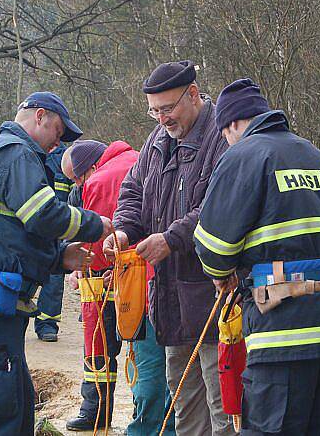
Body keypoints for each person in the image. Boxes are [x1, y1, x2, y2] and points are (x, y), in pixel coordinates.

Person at [194, 79, 320, 435]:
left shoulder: (244, 156)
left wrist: (220, 272)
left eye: (225, 134)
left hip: (281, 328)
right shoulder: (317, 157)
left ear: (233, 123)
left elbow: (213, 246)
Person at [0, 92, 112, 435]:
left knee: (17, 410)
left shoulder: (2, 152)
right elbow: (42, 215)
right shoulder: (15, 152)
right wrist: (96, 224)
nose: (57, 144)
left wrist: (58, 257)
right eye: (57, 131)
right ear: (39, 116)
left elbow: (8, 235)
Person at [104, 60, 232, 436]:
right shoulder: (157, 141)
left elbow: (217, 206)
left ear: (193, 94)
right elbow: (133, 191)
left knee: (223, 406)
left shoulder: (220, 138)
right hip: (171, 301)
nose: (161, 118)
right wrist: (125, 231)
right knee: (184, 402)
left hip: (213, 297)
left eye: (167, 108)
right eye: (154, 111)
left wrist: (171, 238)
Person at [64, 139, 138, 431]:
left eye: (76, 179)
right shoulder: (136, 158)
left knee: (99, 341)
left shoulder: (100, 179)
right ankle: (143, 412)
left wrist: (79, 264)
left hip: (109, 273)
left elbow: (95, 239)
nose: (77, 186)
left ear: (90, 169)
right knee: (144, 350)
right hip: (142, 269)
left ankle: (95, 411)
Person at [34, 142, 75, 342]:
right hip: (30, 227)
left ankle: (47, 323)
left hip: (58, 228)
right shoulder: (26, 155)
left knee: (55, 279)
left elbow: (75, 195)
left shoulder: (66, 158)